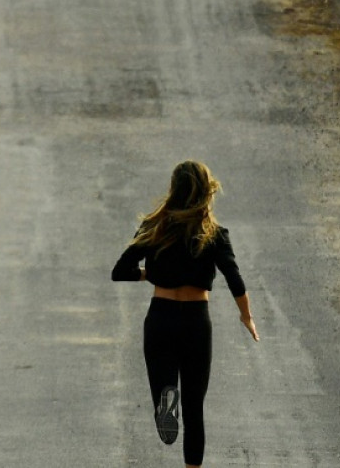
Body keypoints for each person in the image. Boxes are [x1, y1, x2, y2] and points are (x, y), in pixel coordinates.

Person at [111, 160, 259, 468]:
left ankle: (167, 402)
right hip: (195, 322)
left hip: (161, 317)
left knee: (166, 387)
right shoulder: (214, 234)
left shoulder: (155, 227)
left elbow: (120, 271)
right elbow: (235, 279)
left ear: (173, 190)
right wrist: (246, 316)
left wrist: (150, 274)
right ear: (207, 192)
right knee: (195, 409)